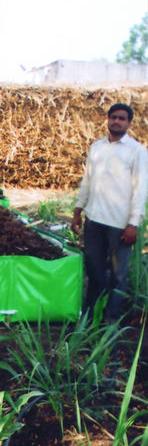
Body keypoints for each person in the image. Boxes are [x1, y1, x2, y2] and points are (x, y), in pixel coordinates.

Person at [71, 103, 148, 322]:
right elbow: (87, 181)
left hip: (120, 225)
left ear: (129, 123)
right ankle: (88, 317)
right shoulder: (97, 147)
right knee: (95, 273)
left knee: (118, 276)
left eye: (122, 118)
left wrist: (133, 223)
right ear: (107, 119)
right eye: (113, 117)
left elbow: (140, 189)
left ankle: (110, 323)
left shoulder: (137, 151)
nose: (117, 121)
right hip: (94, 220)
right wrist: (78, 210)